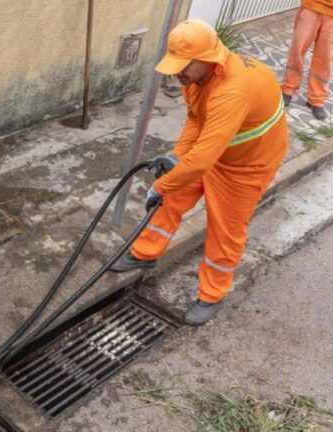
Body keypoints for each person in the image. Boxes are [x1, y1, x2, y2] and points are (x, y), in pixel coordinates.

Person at [111, 19, 288, 326]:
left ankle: (212, 294)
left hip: (247, 166)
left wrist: (161, 185)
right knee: (172, 198)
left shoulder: (233, 91)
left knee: (225, 229)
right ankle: (145, 252)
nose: (177, 73)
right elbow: (196, 121)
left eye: (183, 66)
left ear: (207, 60)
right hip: (215, 149)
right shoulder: (197, 79)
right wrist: (175, 156)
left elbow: (201, 161)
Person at [281, 0, 333, 120]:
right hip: (311, 6)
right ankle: (288, 88)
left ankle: (317, 99)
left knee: (325, 59)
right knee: (298, 50)